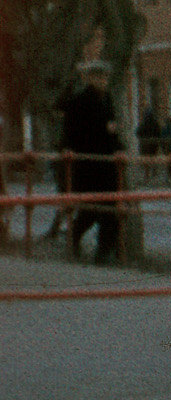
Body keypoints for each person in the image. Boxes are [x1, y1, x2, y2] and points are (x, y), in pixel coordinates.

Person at [58, 61, 125, 264]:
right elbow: (70, 131)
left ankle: (103, 252)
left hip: (107, 164)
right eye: (98, 77)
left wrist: (119, 148)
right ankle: (75, 239)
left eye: (104, 77)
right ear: (90, 79)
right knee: (90, 210)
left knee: (110, 210)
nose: (102, 81)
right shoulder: (80, 101)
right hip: (88, 164)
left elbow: (112, 129)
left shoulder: (108, 99)